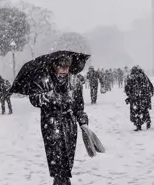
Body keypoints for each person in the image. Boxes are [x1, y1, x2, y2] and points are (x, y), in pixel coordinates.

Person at [29, 56, 89, 185]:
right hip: (51, 124)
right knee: (56, 159)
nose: (64, 68)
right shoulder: (44, 80)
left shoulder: (75, 81)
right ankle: (60, 180)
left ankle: (63, 180)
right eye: (61, 64)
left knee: (68, 157)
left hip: (69, 124)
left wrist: (83, 122)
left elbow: (79, 106)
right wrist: (47, 96)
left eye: (67, 64)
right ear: (53, 65)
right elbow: (34, 100)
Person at [125, 66, 154, 131]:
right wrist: (149, 93)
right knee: (144, 110)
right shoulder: (144, 77)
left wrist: (129, 95)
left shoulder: (131, 77)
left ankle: (138, 125)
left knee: (136, 111)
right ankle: (147, 121)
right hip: (143, 97)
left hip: (136, 98)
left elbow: (127, 88)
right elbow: (150, 86)